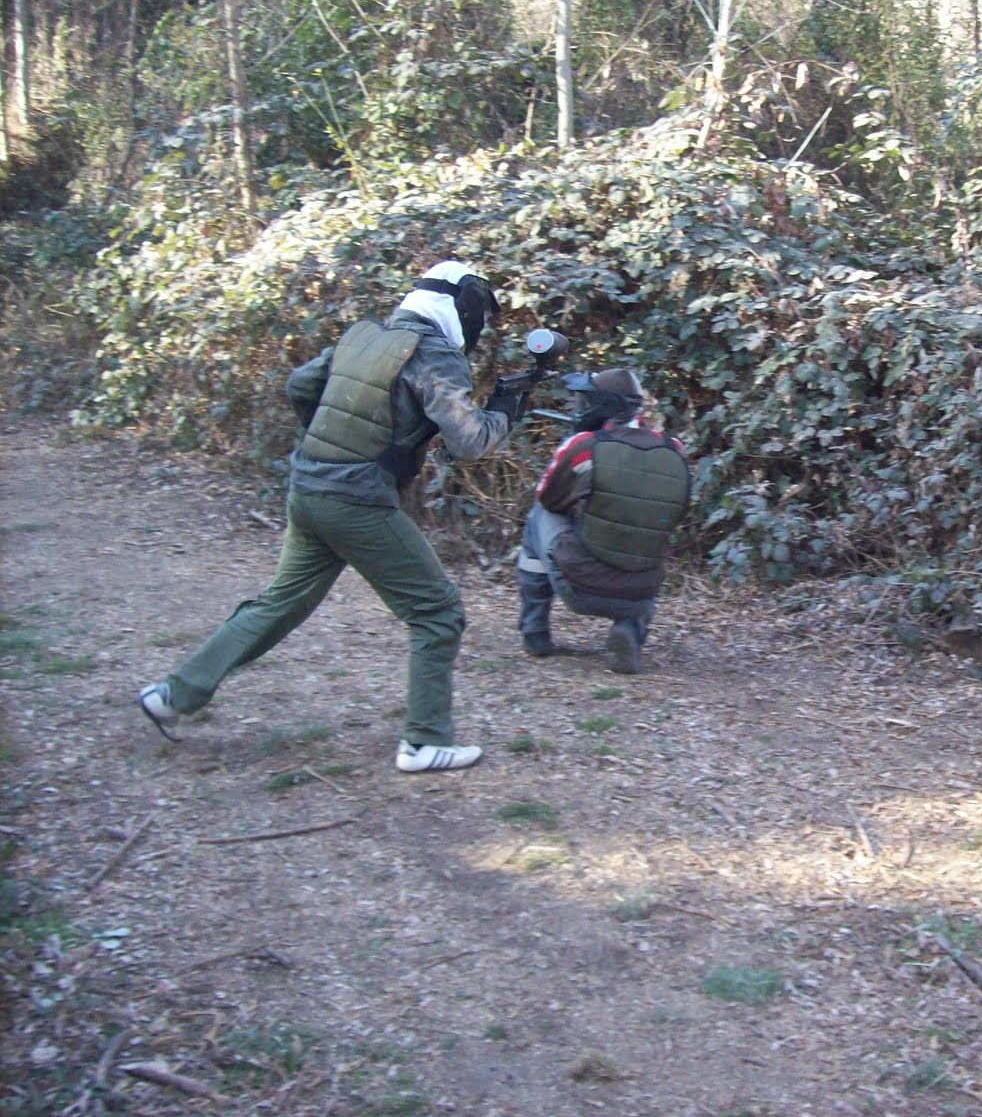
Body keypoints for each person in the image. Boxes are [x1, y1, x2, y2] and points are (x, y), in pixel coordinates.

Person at [137, 261, 531, 772]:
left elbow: (300, 386)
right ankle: (424, 741)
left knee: (279, 603)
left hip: (309, 487)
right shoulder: (435, 354)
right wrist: (506, 410)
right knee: (438, 613)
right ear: (462, 308)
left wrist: (342, 441)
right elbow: (471, 441)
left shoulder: (364, 337)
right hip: (355, 501)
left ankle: (172, 695)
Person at [517, 368, 691, 674]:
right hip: (642, 594)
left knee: (539, 514)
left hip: (581, 589)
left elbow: (549, 498)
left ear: (602, 405)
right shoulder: (674, 450)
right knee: (642, 531)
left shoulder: (584, 447)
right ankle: (630, 630)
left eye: (587, 401)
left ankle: (535, 630)